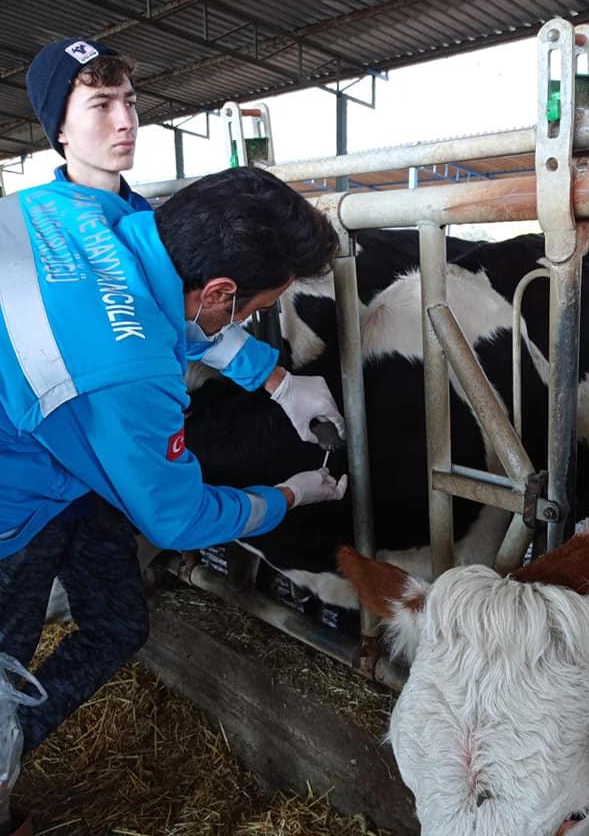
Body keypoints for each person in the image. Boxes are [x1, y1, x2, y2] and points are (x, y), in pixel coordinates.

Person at [0, 165, 348, 753]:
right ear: (218, 292)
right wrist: (287, 496)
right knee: (5, 665)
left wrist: (276, 378)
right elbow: (177, 520)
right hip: (13, 511)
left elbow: (160, 310)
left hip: (59, 456)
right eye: (245, 311)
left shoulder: (72, 207)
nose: (238, 323)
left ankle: (15, 734)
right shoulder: (133, 376)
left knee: (118, 623)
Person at [25, 37, 151, 211]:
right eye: (102, 105)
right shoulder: (34, 227)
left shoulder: (151, 217)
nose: (126, 122)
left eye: (130, 103)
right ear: (60, 129)